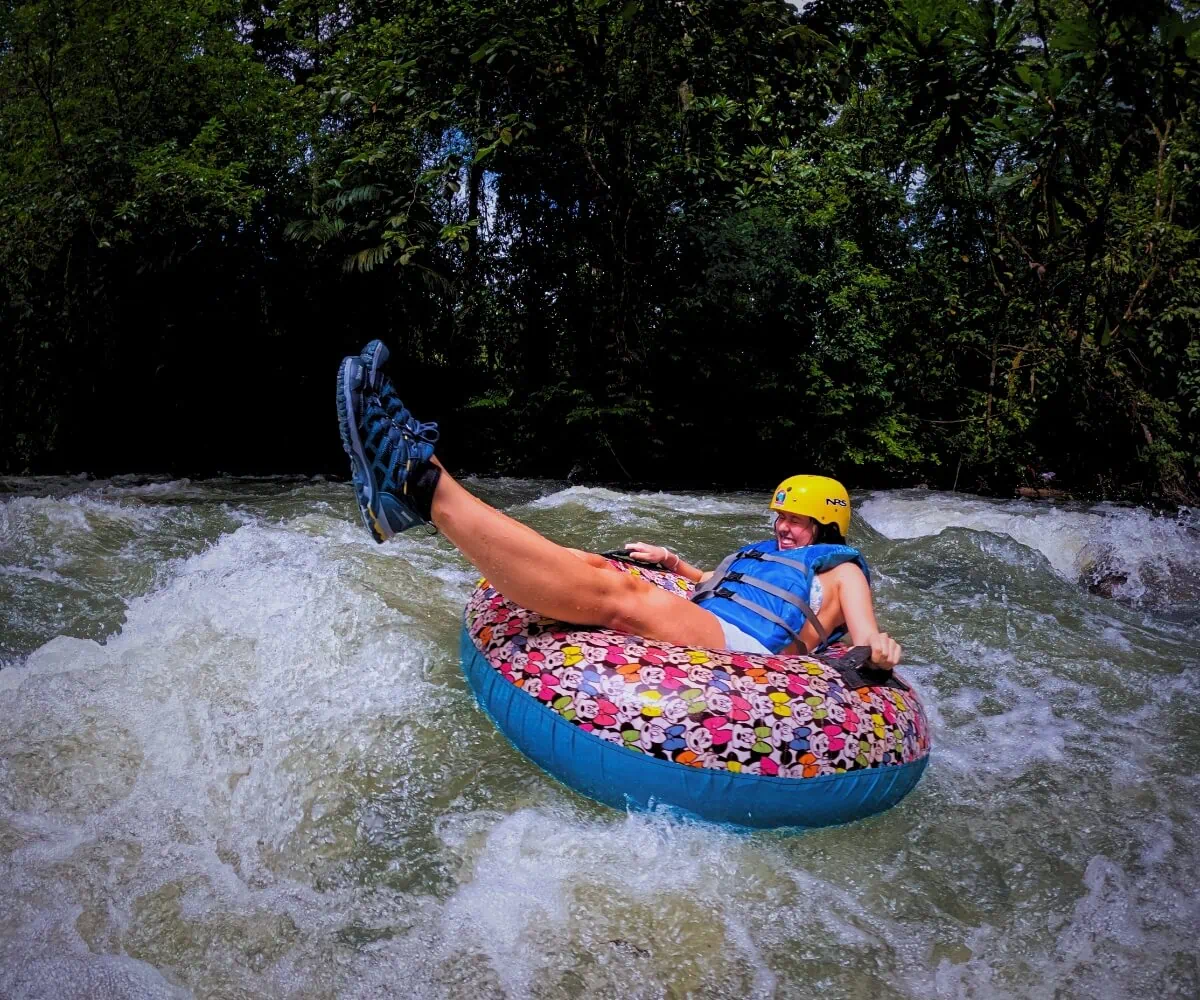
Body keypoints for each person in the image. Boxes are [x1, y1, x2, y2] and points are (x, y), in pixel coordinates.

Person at [336, 340, 901, 669]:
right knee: (593, 563)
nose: (783, 529)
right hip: (712, 619)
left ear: (828, 526)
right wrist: (672, 562)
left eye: (797, 522)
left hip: (746, 651)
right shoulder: (768, 555)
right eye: (780, 518)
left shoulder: (843, 572)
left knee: (624, 596)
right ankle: (416, 475)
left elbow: (865, 637)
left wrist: (880, 651)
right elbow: (717, 583)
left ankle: (422, 486)